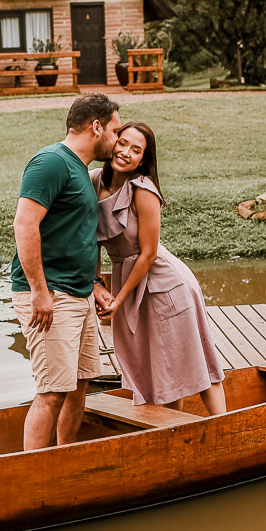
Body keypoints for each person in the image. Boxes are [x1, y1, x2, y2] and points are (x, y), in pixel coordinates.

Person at [92, 121, 226, 414]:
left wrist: (119, 298)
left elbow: (149, 254)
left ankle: (225, 427)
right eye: (123, 143)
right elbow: (93, 242)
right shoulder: (93, 182)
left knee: (196, 360)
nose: (126, 152)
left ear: (144, 159)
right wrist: (96, 283)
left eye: (136, 149)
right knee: (157, 368)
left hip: (164, 284)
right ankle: (170, 433)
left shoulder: (143, 190)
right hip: (125, 280)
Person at [12, 94, 120, 451]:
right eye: (116, 131)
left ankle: (64, 459)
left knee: (79, 385)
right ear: (97, 126)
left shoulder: (78, 169)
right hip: (51, 296)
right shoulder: (52, 163)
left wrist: (95, 284)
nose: (117, 140)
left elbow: (74, 234)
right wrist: (40, 292)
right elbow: (25, 225)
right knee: (52, 391)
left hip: (79, 294)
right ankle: (35, 477)